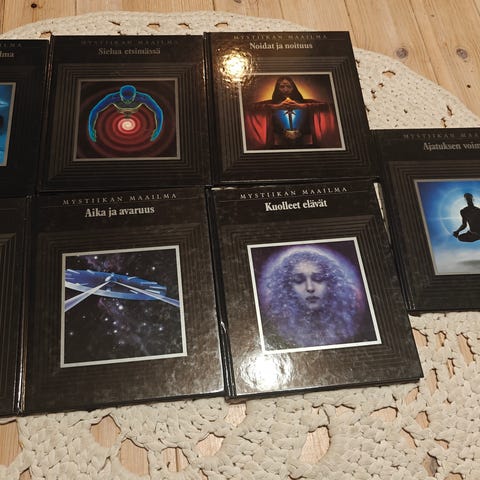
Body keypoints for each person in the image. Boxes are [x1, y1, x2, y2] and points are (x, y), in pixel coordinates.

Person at [256, 246, 376, 350]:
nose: (310, 288)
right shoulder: (278, 330)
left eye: (318, 278)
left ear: (331, 283)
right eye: (299, 280)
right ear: (287, 286)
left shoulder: (348, 328)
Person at [243, 76, 341, 149]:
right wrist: (275, 107)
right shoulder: (270, 104)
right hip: (277, 145)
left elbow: (330, 107)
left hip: (306, 144)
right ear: (277, 88)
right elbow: (249, 109)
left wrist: (303, 106)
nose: (285, 90)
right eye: (282, 86)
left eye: (288, 86)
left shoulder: (306, 103)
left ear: (293, 88)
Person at [88, 84, 163, 143]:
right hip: (122, 109)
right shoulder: (112, 97)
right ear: (120, 95)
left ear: (134, 95)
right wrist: (91, 128)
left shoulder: (143, 97)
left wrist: (158, 129)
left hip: (130, 109)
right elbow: (95, 110)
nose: (127, 102)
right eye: (124, 99)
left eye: (130, 100)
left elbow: (158, 110)